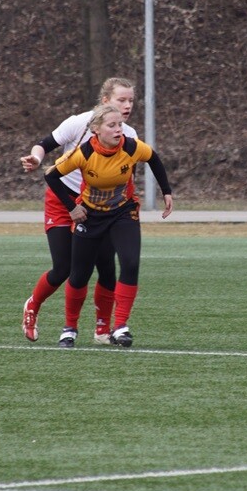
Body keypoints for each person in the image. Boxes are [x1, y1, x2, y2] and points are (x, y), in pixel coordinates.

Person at [19, 78, 138, 344]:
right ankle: (33, 305)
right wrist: (36, 158)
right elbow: (43, 145)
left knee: (106, 266)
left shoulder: (129, 134)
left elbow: (128, 174)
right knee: (64, 268)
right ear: (105, 101)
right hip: (62, 200)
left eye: (131, 100)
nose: (127, 105)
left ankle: (102, 330)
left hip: (98, 205)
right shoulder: (79, 123)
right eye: (121, 100)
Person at [43, 103, 173, 348]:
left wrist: (166, 191)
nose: (118, 130)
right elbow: (51, 175)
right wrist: (72, 208)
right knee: (79, 275)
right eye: (111, 125)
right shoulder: (83, 153)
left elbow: (153, 158)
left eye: (120, 125)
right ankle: (69, 328)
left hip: (123, 213)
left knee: (130, 263)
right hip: (90, 216)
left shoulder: (131, 147)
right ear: (96, 129)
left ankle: (120, 326)